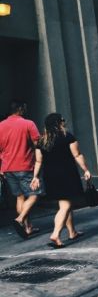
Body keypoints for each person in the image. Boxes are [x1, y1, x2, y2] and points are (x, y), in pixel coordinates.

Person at [30, 114, 89, 248]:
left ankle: (72, 232)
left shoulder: (41, 141)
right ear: (58, 123)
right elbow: (77, 155)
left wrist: (35, 177)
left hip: (51, 176)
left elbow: (38, 161)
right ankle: (55, 234)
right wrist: (86, 170)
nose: (64, 122)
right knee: (65, 206)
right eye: (62, 120)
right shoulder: (67, 136)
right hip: (66, 174)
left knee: (65, 203)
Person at [0, 100, 44, 238]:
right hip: (25, 166)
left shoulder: (0, 126)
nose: (25, 110)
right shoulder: (28, 123)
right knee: (34, 194)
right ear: (19, 109)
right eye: (24, 108)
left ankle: (28, 227)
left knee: (20, 197)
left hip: (7, 168)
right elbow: (39, 144)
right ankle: (20, 219)